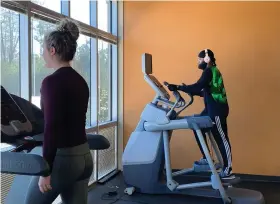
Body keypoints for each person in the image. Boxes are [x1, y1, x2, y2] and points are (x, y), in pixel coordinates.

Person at [25, 19, 93, 204]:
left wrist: (45, 171)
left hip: (64, 160)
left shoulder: (51, 82)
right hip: (84, 157)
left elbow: (52, 127)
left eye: (44, 50)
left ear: (52, 50)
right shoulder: (80, 81)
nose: (42, 54)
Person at [165, 49, 234, 180]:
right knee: (198, 126)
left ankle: (228, 169)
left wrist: (179, 87)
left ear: (207, 59)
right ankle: (206, 157)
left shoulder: (210, 71)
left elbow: (198, 86)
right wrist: (188, 90)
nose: (198, 62)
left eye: (199, 59)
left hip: (217, 109)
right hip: (210, 108)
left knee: (222, 139)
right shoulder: (209, 72)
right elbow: (203, 91)